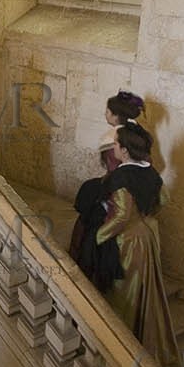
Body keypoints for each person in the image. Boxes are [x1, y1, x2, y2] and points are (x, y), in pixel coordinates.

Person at [93, 120, 182, 367]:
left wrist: (97, 236)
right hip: (147, 237)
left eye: (117, 144)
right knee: (146, 292)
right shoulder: (150, 171)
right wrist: (145, 217)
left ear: (124, 150)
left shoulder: (121, 175)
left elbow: (120, 217)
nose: (115, 147)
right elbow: (163, 200)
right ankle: (147, 349)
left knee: (125, 296)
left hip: (128, 242)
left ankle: (122, 355)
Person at [68, 89, 145, 267]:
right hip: (138, 183)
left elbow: (113, 170)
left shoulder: (111, 138)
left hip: (118, 185)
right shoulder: (137, 132)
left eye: (107, 111)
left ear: (115, 115)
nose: (105, 113)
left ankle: (77, 255)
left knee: (87, 198)